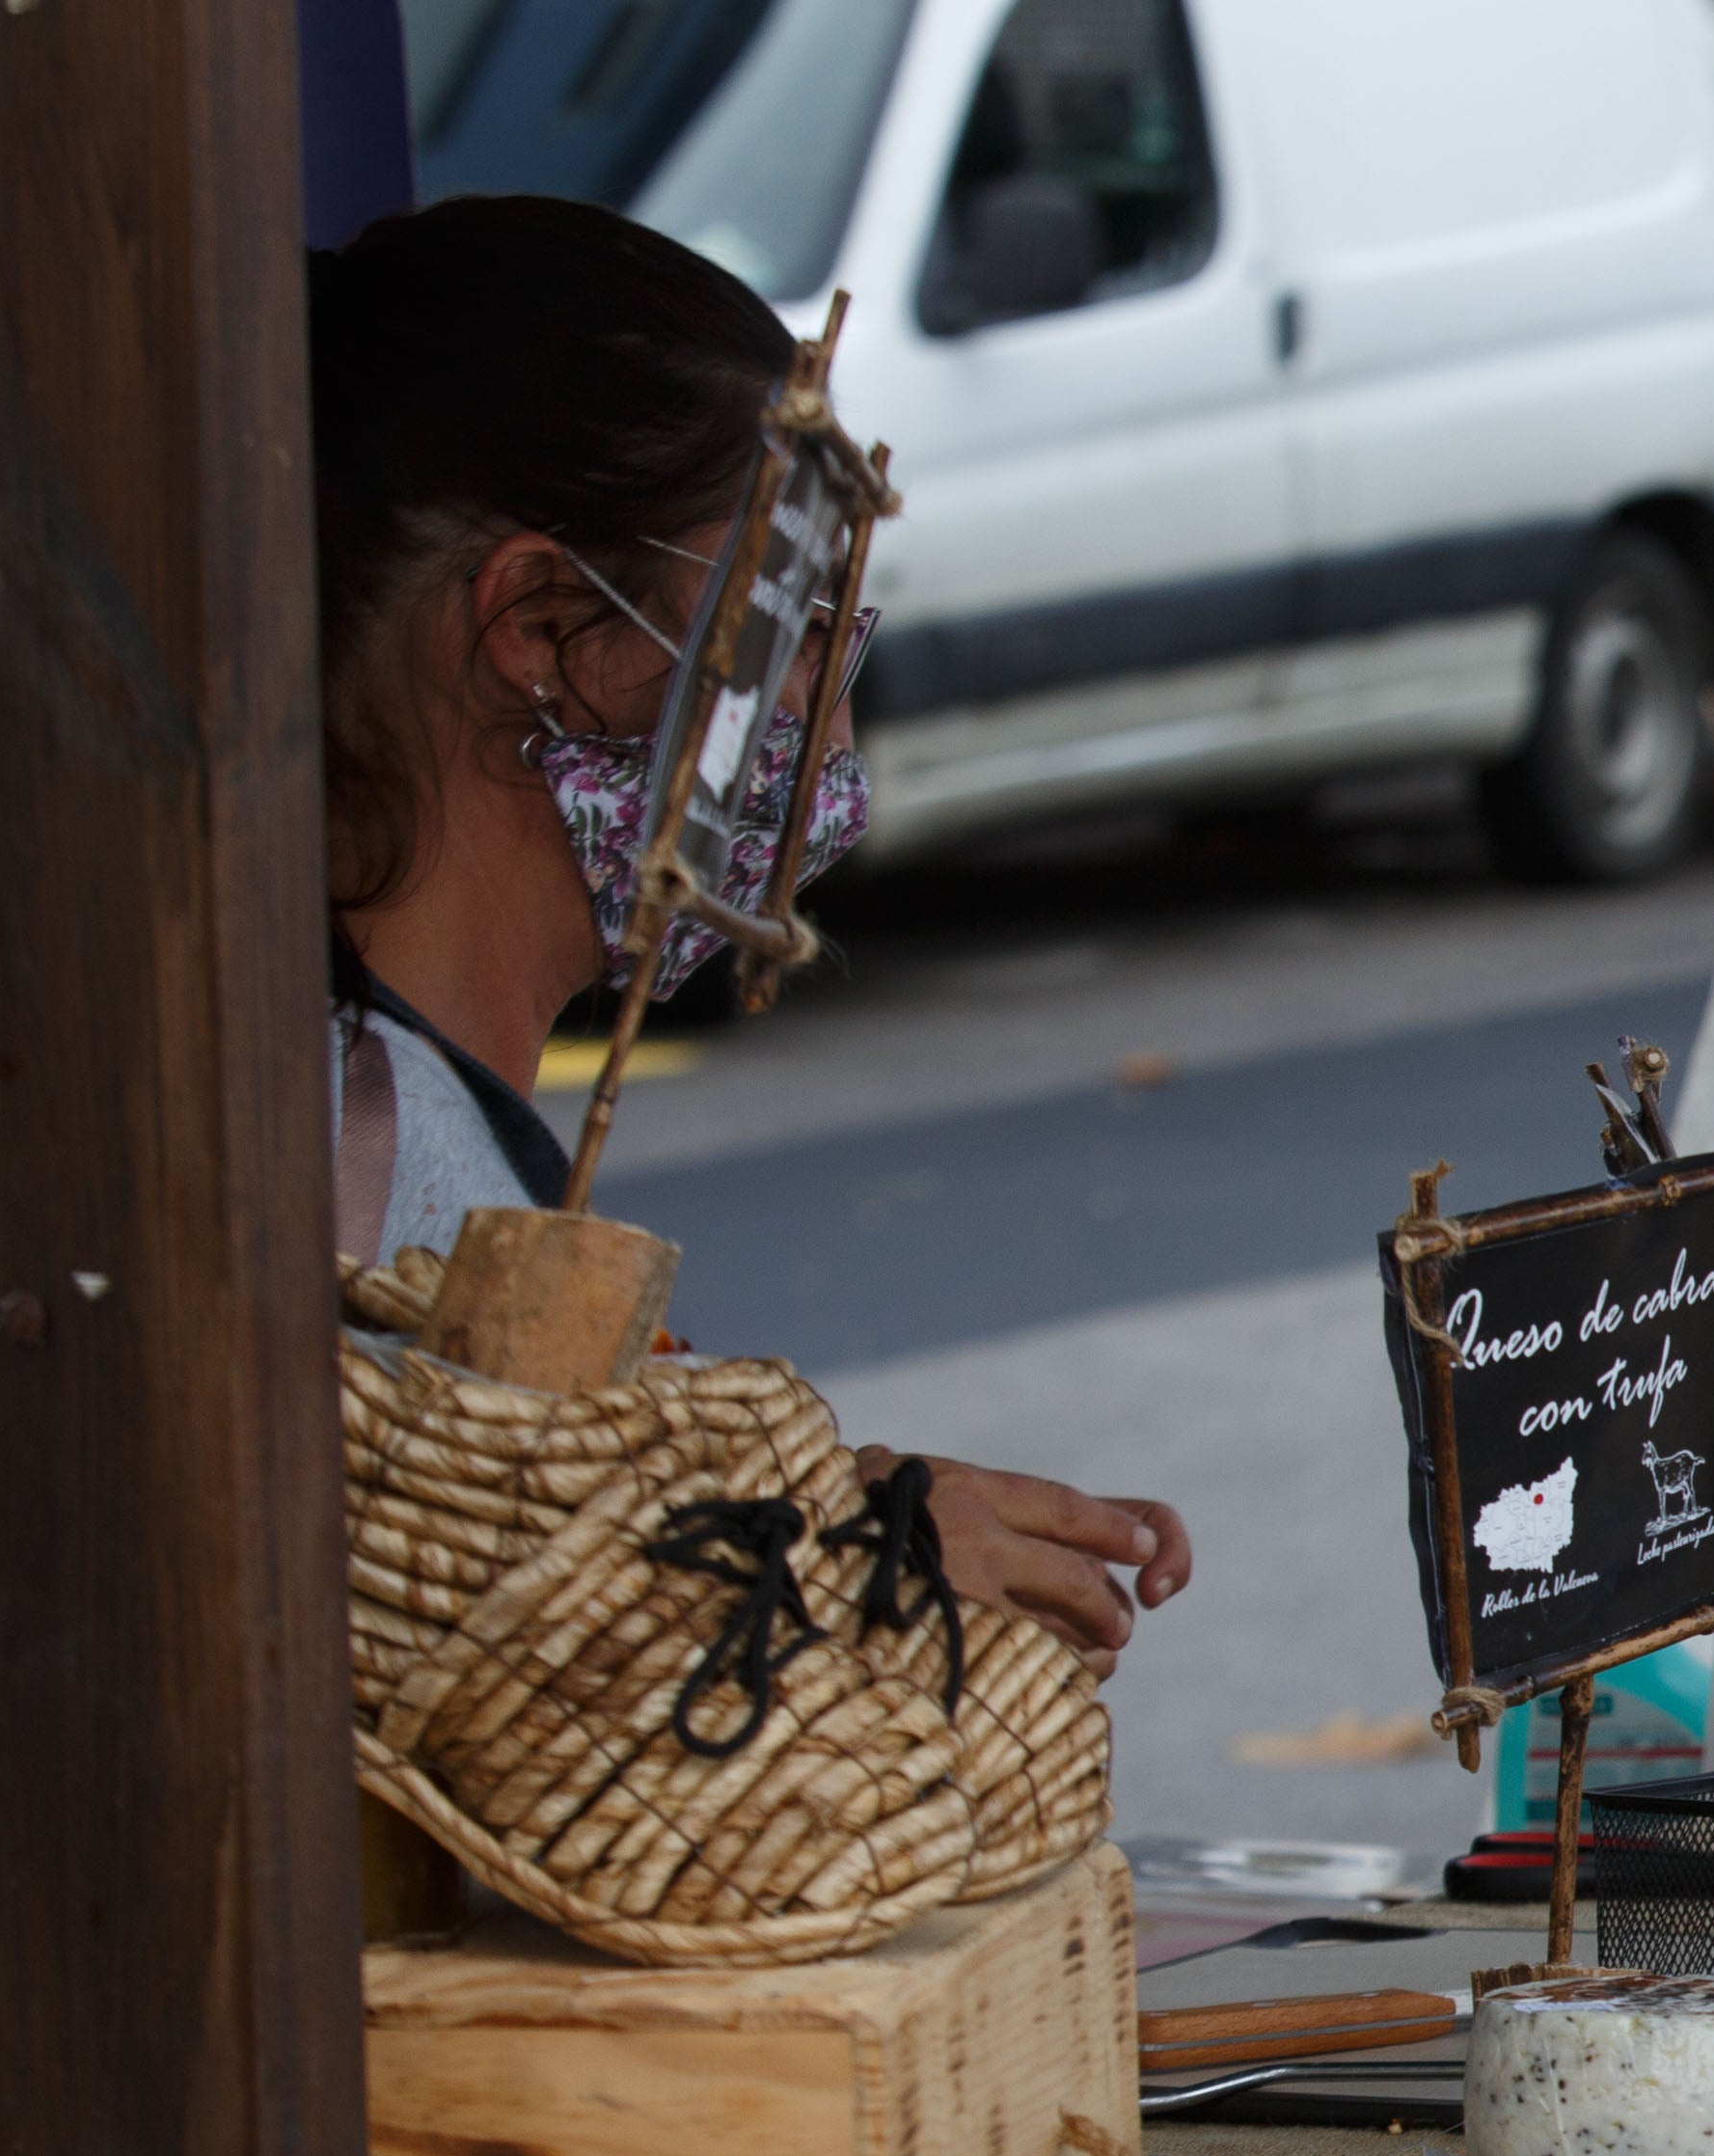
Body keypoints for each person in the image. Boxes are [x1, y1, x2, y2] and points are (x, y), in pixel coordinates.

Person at [309, 196, 1189, 1674]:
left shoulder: (414, 1110)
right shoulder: (343, 1150)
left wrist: (820, 1523)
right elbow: (409, 1633)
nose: (827, 729)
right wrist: (823, 1571)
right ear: (536, 627)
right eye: (785, 640)